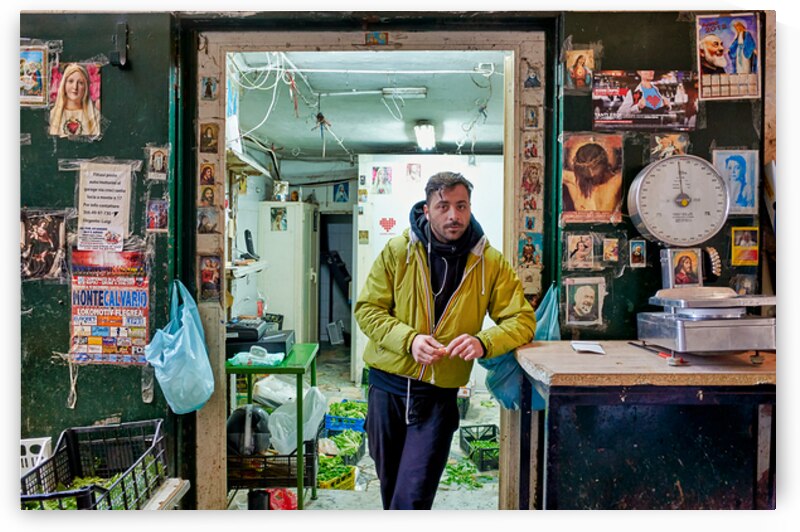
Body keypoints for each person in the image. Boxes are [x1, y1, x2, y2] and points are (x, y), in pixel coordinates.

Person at [354, 171, 535, 510]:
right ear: (427, 209)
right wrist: (409, 341)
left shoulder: (489, 262)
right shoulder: (398, 252)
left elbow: (522, 319)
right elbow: (367, 310)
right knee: (391, 490)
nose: (454, 215)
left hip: (437, 397)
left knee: (412, 498)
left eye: (462, 206)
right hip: (386, 390)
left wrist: (484, 341)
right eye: (444, 206)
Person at [562, 142, 622, 213]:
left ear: (604, 166)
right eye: (587, 176)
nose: (592, 174)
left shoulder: (616, 182)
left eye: (596, 171)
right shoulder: (573, 180)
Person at [49, 63, 100, 138]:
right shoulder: (53, 115)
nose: (75, 87)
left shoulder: (95, 116)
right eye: (70, 81)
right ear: (64, 85)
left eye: (80, 83)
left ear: (85, 87)